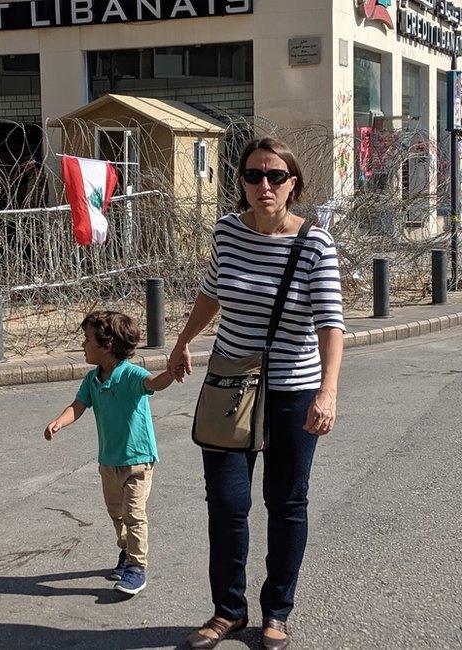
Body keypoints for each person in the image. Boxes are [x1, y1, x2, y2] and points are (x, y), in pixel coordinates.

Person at [168, 137, 345, 650]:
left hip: (293, 389)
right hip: (230, 383)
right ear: (241, 182)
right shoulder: (227, 231)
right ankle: (228, 612)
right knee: (226, 503)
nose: (263, 185)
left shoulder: (315, 243)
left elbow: (331, 325)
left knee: (286, 501)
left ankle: (277, 613)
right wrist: (183, 342)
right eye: (252, 176)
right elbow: (212, 291)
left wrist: (327, 392)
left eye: (274, 176)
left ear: (293, 183)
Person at [44, 310, 174, 596]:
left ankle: (137, 567)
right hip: (109, 461)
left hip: (138, 459)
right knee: (116, 513)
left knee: (133, 513)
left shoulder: (130, 374)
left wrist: (171, 373)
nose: (83, 345)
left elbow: (153, 383)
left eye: (87, 340)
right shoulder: (92, 380)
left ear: (107, 346)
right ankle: (126, 552)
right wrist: (59, 422)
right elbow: (78, 406)